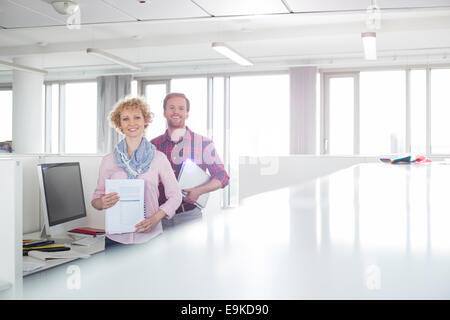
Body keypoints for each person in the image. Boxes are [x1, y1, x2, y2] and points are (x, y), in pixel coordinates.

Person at [91, 97, 182, 246]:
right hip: (116, 240)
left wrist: (155, 219)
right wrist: (100, 203)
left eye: (137, 117)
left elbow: (176, 196)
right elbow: (96, 199)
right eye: (126, 119)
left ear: (145, 120)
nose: (132, 123)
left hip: (150, 239)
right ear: (119, 124)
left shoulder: (159, 158)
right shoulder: (108, 160)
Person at [151, 92, 229, 229]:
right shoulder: (153, 146)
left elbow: (222, 177)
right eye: (171, 107)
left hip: (189, 217)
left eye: (181, 108)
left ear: (187, 114)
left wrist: (199, 191)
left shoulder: (203, 143)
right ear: (164, 112)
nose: (176, 112)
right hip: (159, 218)